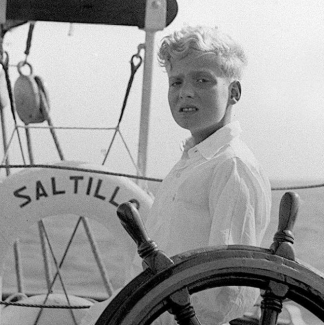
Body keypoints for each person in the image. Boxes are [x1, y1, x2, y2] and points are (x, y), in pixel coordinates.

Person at [83, 25, 272, 325]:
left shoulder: (232, 166)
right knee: (42, 310)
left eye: (202, 80)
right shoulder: (192, 161)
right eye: (176, 82)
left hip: (171, 320)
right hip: (145, 312)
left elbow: (229, 289)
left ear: (234, 92)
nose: (185, 91)